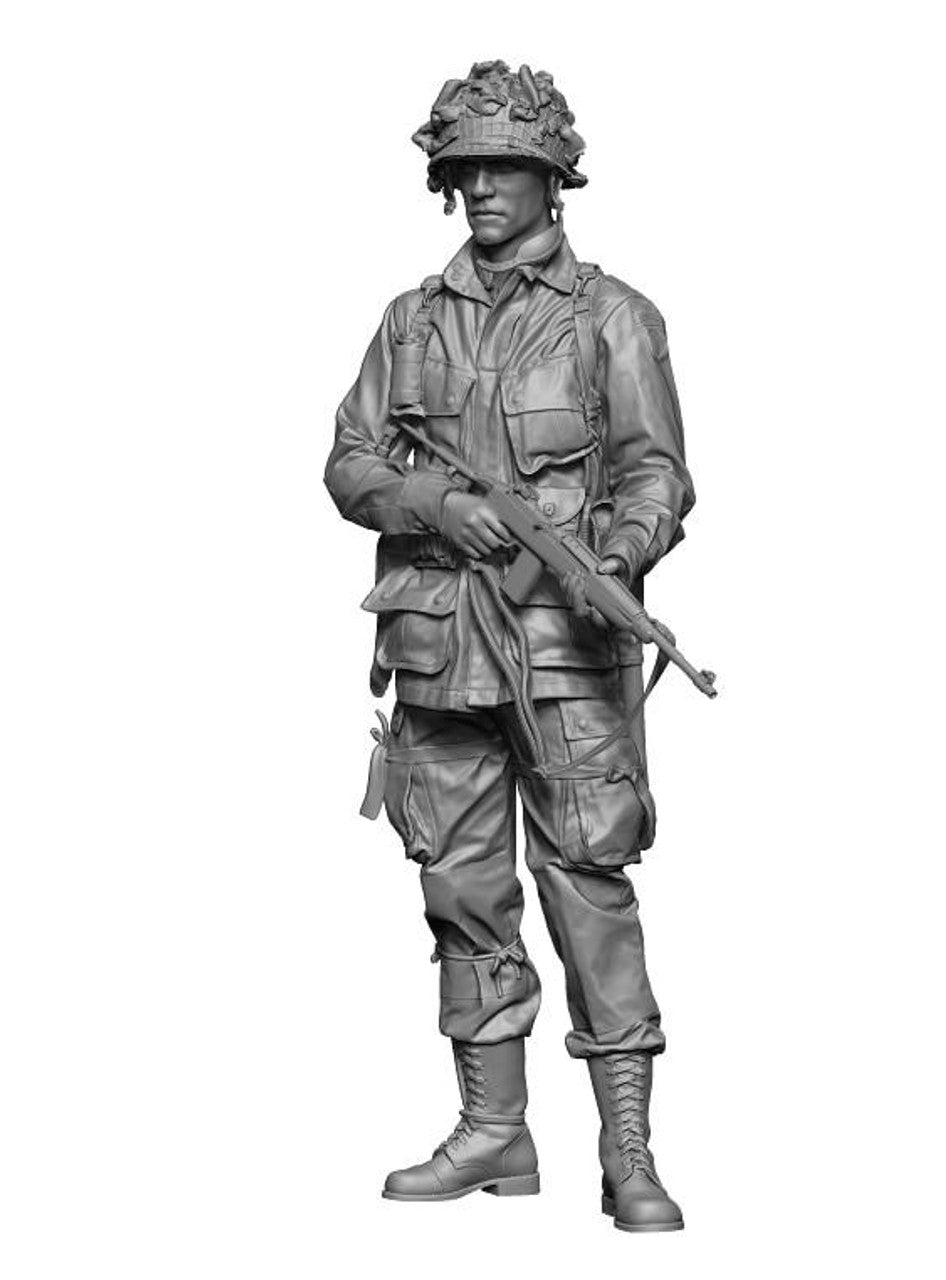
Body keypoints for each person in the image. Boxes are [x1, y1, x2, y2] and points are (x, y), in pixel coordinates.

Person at [324, 60, 695, 1233]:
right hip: (442, 651)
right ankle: (494, 1128)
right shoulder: (410, 320)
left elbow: (656, 472)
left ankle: (627, 1149)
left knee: (590, 884)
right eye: (464, 169)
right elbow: (349, 461)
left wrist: (615, 558)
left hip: (566, 653)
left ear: (551, 179)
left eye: (504, 167)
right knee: (462, 888)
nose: (481, 187)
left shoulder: (612, 317)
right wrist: (436, 504)